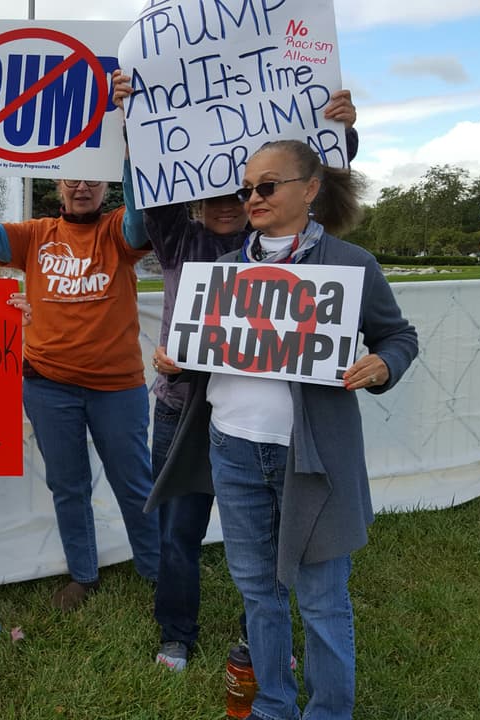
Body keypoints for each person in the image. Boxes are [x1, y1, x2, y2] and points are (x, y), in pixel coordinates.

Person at [147, 139, 419, 720]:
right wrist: (175, 359)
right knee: (257, 591)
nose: (254, 198)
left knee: (322, 597)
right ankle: (272, 706)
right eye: (248, 189)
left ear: (311, 189)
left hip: (313, 457)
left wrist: (383, 364)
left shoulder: (349, 265)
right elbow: (208, 356)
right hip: (232, 448)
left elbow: (399, 337)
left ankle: (328, 711)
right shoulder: (220, 272)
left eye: (267, 186)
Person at [143, 87, 361, 671]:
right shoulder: (179, 241)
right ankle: (176, 634)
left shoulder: (275, 243)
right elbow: (149, 177)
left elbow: (319, 194)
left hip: (266, 421)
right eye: (218, 193)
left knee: (265, 542)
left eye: (247, 192)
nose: (231, 202)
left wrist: (337, 138)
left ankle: (258, 640)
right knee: (178, 530)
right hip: (182, 408)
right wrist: (133, 118)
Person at [0, 100, 159, 611]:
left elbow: (141, 226)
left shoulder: (117, 229)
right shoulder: (36, 235)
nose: (81, 187)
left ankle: (158, 567)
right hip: (48, 385)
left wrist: (124, 154)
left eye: (92, 179)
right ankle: (83, 574)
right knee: (67, 485)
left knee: (134, 481)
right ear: (57, 185)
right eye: (71, 179)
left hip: (117, 387)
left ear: (105, 185)